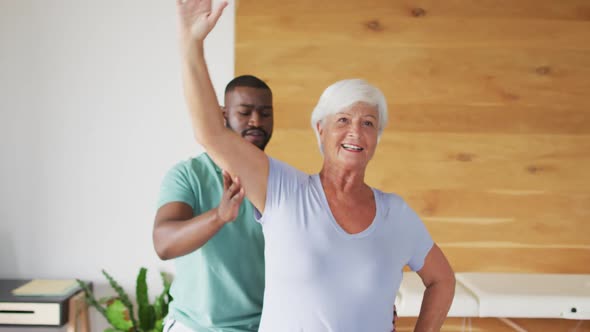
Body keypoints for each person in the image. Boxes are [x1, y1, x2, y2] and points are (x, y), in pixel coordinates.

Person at [175, 0, 455, 331]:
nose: (356, 131)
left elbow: (442, 280)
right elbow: (210, 133)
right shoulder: (281, 189)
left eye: (368, 123)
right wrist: (192, 43)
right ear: (320, 131)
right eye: (343, 119)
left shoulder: (397, 214)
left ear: (376, 137)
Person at [153, 74, 274, 331]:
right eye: (245, 112)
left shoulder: (280, 180)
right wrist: (219, 216)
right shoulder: (188, 174)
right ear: (223, 116)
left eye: (265, 113)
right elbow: (163, 244)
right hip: (193, 326)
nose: (256, 121)